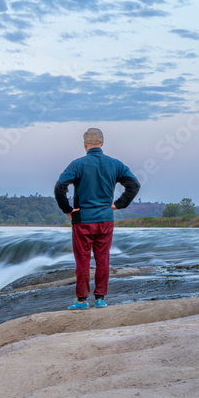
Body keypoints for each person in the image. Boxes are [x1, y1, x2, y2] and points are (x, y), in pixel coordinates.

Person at [54, 128, 141, 310]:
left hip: (83, 220)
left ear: (85, 144)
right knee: (103, 259)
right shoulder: (115, 164)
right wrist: (118, 205)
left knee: (83, 261)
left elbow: (59, 187)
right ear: (102, 143)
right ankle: (100, 299)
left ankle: (81, 301)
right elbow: (134, 185)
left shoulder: (77, 164)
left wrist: (67, 210)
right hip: (105, 220)